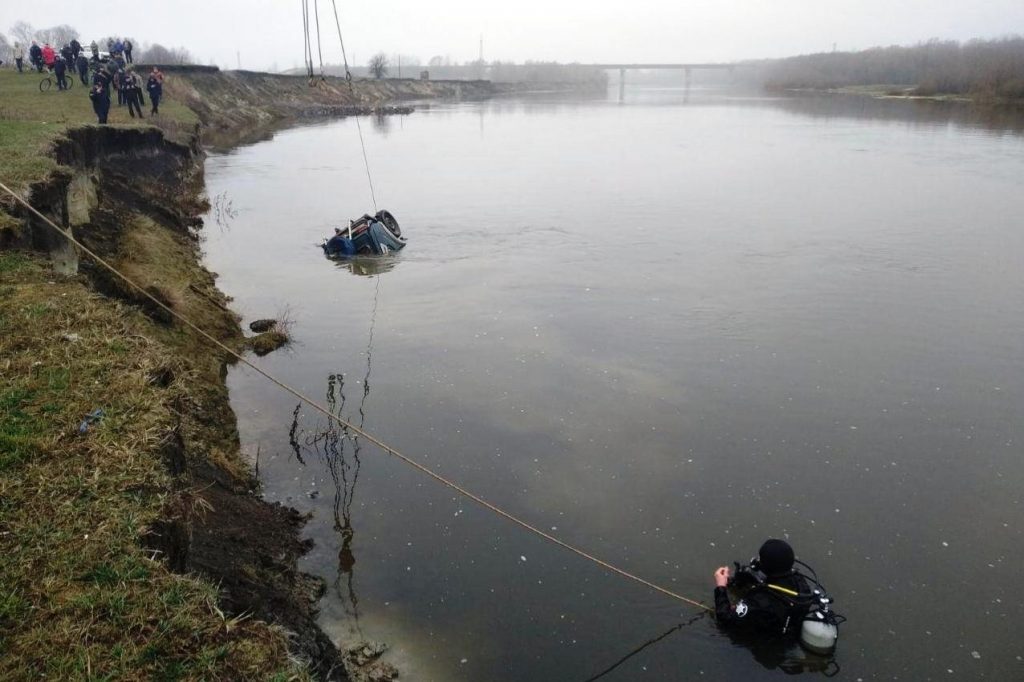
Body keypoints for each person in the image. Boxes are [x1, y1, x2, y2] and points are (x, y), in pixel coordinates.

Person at [713, 538, 811, 637]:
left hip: (768, 643)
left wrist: (721, 586)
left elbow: (725, 618)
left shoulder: (759, 602)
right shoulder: (800, 582)